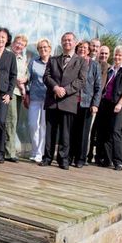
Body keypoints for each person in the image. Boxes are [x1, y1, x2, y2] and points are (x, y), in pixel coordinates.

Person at [41, 32, 86, 169]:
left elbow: (81, 80)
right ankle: (47, 158)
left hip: (69, 101)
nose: (67, 42)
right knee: (50, 132)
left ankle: (63, 160)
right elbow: (46, 76)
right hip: (52, 100)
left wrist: (65, 90)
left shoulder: (81, 61)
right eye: (64, 40)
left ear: (75, 42)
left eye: (70, 40)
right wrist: (55, 87)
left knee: (66, 133)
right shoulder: (53, 59)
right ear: (61, 43)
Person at [97, 45, 122, 169]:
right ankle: (107, 160)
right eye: (116, 54)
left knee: (115, 131)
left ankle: (118, 161)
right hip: (105, 104)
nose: (117, 57)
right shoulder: (110, 69)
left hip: (117, 104)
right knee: (105, 132)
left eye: (120, 55)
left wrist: (120, 103)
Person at [70, 40, 101, 168]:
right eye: (80, 47)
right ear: (77, 49)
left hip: (87, 103)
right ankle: (69, 156)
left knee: (83, 133)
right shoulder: (72, 62)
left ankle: (80, 158)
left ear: (89, 51)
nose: (82, 49)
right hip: (71, 102)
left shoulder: (94, 65)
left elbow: (98, 87)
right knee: (71, 131)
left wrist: (95, 104)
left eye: (85, 48)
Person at [0, 27, 18, 163]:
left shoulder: (11, 56)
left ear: (7, 40)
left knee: (1, 122)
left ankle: (0, 152)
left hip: (3, 94)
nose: (0, 39)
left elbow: (13, 76)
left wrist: (9, 94)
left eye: (3, 37)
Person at [24, 38, 53, 163]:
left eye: (45, 47)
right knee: (32, 124)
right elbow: (28, 78)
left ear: (50, 48)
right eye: (40, 48)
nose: (43, 49)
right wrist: (26, 93)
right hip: (35, 97)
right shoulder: (34, 62)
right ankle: (34, 150)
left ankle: (40, 153)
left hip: (48, 99)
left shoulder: (54, 62)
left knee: (43, 126)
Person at [87, 42, 110, 164]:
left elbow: (102, 87)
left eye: (106, 53)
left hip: (101, 104)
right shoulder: (91, 62)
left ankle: (91, 155)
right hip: (89, 101)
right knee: (89, 129)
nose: (103, 55)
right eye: (102, 53)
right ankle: (87, 154)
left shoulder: (108, 67)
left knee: (95, 131)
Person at [9, 34, 30, 162]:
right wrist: (20, 83)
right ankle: (10, 152)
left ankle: (10, 149)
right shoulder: (9, 56)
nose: (19, 46)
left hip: (19, 93)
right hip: (11, 91)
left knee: (15, 121)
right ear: (13, 43)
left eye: (21, 44)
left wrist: (25, 79)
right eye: (17, 43)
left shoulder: (23, 59)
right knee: (11, 120)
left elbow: (26, 73)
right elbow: (12, 73)